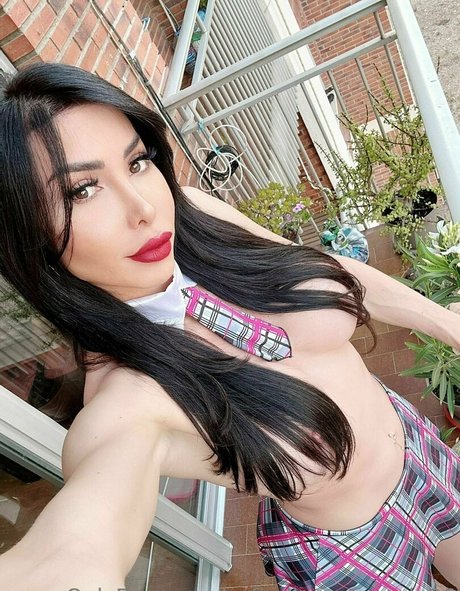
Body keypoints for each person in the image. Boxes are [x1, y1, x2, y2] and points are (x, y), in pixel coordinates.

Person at [0, 62, 458, 591]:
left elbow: (331, 272)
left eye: (137, 162)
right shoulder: (128, 394)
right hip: (350, 549)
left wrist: (448, 324)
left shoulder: (194, 217)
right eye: (82, 190)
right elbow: (82, 536)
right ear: (29, 237)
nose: (144, 207)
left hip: (416, 446)